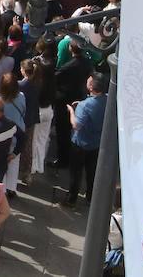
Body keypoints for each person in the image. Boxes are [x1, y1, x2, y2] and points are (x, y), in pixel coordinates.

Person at [62, 73, 108, 209]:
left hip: (81, 143)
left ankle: (72, 199)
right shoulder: (107, 100)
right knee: (91, 171)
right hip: (96, 143)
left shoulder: (84, 105)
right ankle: (90, 197)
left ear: (92, 86)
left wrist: (71, 111)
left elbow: (76, 124)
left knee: (76, 173)